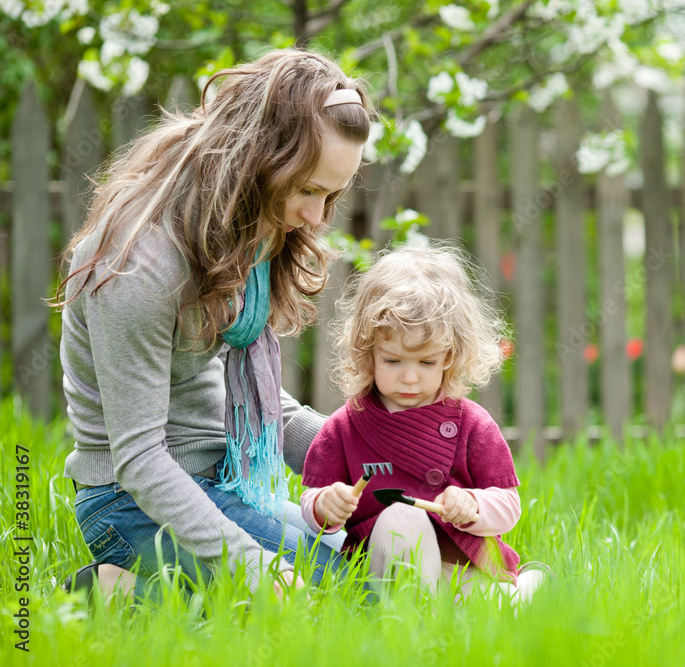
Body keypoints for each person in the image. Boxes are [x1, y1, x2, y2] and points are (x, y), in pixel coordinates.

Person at [55, 48, 376, 600]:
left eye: (331, 195)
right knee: (344, 598)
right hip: (129, 501)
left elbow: (264, 409)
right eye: (307, 190)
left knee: (375, 563)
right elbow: (139, 461)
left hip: (218, 476)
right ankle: (112, 595)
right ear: (256, 160)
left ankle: (166, 596)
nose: (318, 218)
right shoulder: (138, 268)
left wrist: (379, 451)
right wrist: (250, 567)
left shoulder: (240, 231)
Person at [298, 243, 543, 602]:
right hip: (384, 569)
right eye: (394, 361)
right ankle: (413, 634)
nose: (410, 379)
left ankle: (524, 592)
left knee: (495, 612)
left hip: (463, 569)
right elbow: (312, 498)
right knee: (400, 520)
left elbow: (508, 506)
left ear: (451, 355)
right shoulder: (345, 427)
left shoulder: (471, 424)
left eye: (426, 363)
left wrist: (473, 505)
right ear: (368, 353)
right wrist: (323, 505)